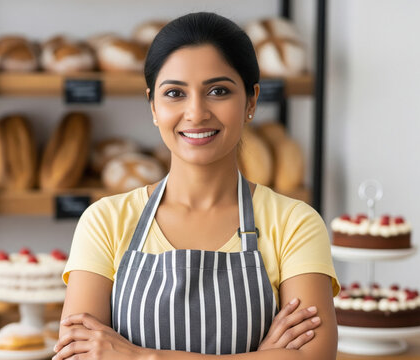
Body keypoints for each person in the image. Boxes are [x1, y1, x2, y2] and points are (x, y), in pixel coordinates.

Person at [54, 12, 340, 360]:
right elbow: (77, 355)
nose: (196, 112)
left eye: (218, 91)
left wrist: (139, 356)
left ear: (251, 101)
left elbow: (314, 358)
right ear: (153, 106)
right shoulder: (105, 220)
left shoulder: (296, 222)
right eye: (174, 93)